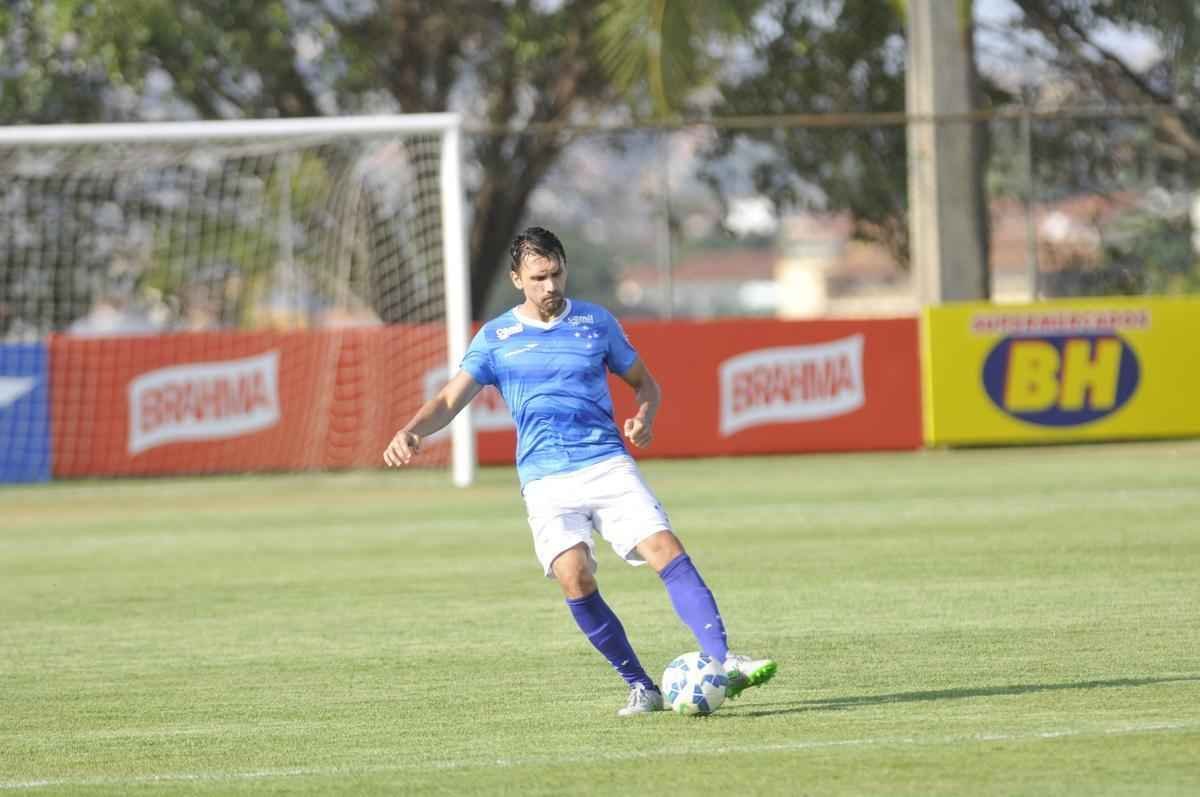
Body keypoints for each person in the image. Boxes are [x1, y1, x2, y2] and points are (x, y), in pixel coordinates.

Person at [383, 226, 776, 716]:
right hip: (545, 481)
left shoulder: (596, 322)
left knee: (665, 548)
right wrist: (413, 430)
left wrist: (644, 417)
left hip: (607, 462)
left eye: (557, 273)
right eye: (539, 277)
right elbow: (447, 398)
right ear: (516, 279)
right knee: (575, 578)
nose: (551, 286)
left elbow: (646, 384)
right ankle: (640, 685)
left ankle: (723, 659)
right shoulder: (496, 339)